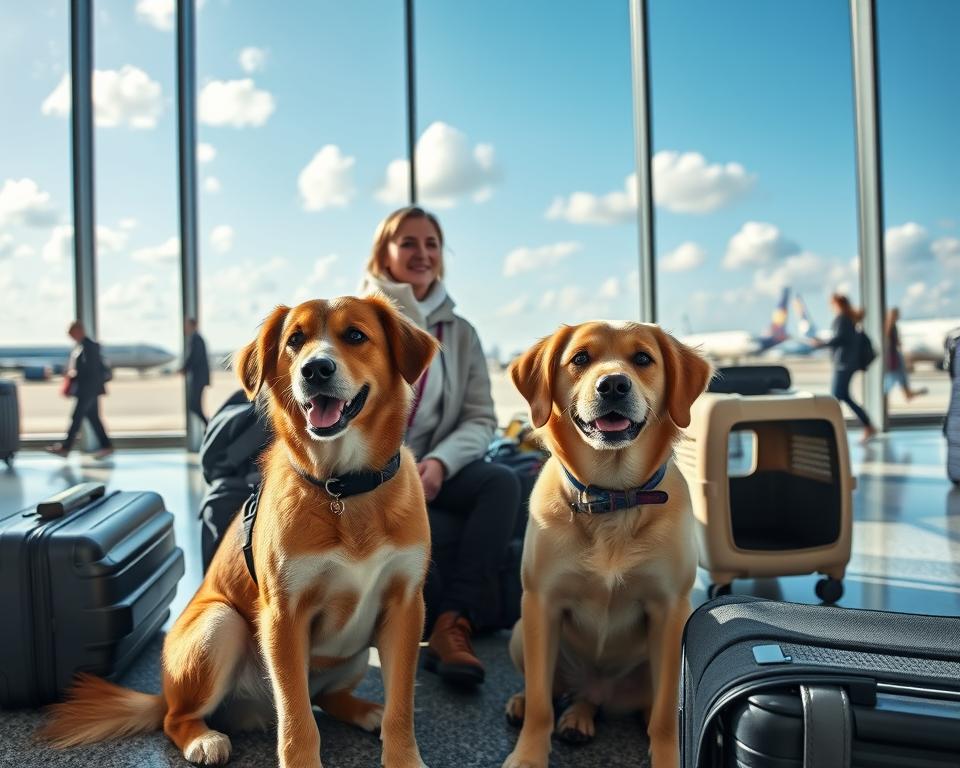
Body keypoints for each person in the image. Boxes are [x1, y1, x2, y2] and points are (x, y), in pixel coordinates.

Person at [360, 206, 521, 687]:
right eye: (408, 242)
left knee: (501, 482)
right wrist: (400, 468)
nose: (422, 253)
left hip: (431, 469)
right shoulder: (358, 320)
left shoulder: (461, 333)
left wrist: (438, 464)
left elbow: (480, 417)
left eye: (432, 243)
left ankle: (455, 623)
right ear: (384, 253)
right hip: (374, 473)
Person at [45, 321, 113, 459]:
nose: (70, 337)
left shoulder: (89, 347)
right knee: (93, 418)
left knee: (76, 418)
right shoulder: (84, 347)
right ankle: (106, 446)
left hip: (87, 390)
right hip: (89, 390)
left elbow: (91, 370)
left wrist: (73, 375)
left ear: (78, 331)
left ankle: (66, 448)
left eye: (71, 334)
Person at [822, 294, 876, 443]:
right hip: (848, 364)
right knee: (844, 396)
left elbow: (840, 339)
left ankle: (830, 431)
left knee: (836, 397)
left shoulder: (842, 319)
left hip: (843, 364)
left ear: (837, 305)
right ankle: (867, 425)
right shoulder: (849, 319)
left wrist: (822, 343)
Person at [884, 307, 927, 402]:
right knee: (894, 377)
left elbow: (896, 343)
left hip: (894, 356)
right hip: (892, 357)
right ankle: (908, 393)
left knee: (899, 377)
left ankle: (908, 393)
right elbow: (888, 341)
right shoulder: (889, 326)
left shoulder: (893, 326)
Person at [180, 317, 210, 428]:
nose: (185, 328)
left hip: (199, 379)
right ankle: (208, 427)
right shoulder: (197, 338)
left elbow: (194, 357)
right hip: (200, 378)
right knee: (195, 406)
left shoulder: (195, 339)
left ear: (191, 326)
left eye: (186, 325)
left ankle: (209, 426)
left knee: (194, 406)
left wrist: (184, 369)